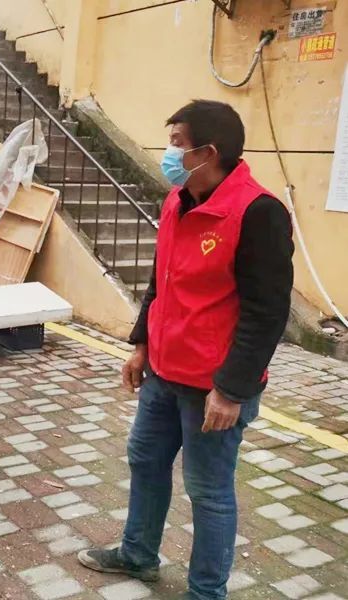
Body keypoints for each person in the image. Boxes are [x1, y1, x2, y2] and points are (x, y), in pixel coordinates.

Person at [77, 100, 294, 600]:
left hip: (212, 388)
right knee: (145, 461)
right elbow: (163, 281)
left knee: (208, 492)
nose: (168, 153)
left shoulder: (258, 213)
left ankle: (206, 592)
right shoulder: (178, 199)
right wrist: (141, 346)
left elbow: (266, 314)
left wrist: (231, 390)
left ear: (208, 153)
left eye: (177, 143)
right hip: (163, 373)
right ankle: (138, 554)